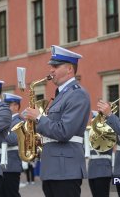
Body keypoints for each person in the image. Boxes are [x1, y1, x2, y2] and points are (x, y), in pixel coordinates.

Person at [24, 45, 91, 197]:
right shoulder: (61, 95)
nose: (51, 70)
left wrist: (39, 118)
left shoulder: (77, 94)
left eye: (55, 66)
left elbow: (63, 131)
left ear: (69, 69)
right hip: (52, 168)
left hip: (66, 170)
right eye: (51, 66)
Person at [1, 93, 24, 197]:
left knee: (11, 193)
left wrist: (0, 130)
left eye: (7, 105)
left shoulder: (19, 122)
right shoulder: (7, 121)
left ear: (16, 106)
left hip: (12, 163)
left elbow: (14, 139)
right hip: (3, 163)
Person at [87, 111, 112, 197]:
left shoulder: (107, 132)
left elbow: (104, 146)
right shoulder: (89, 132)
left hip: (103, 169)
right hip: (92, 170)